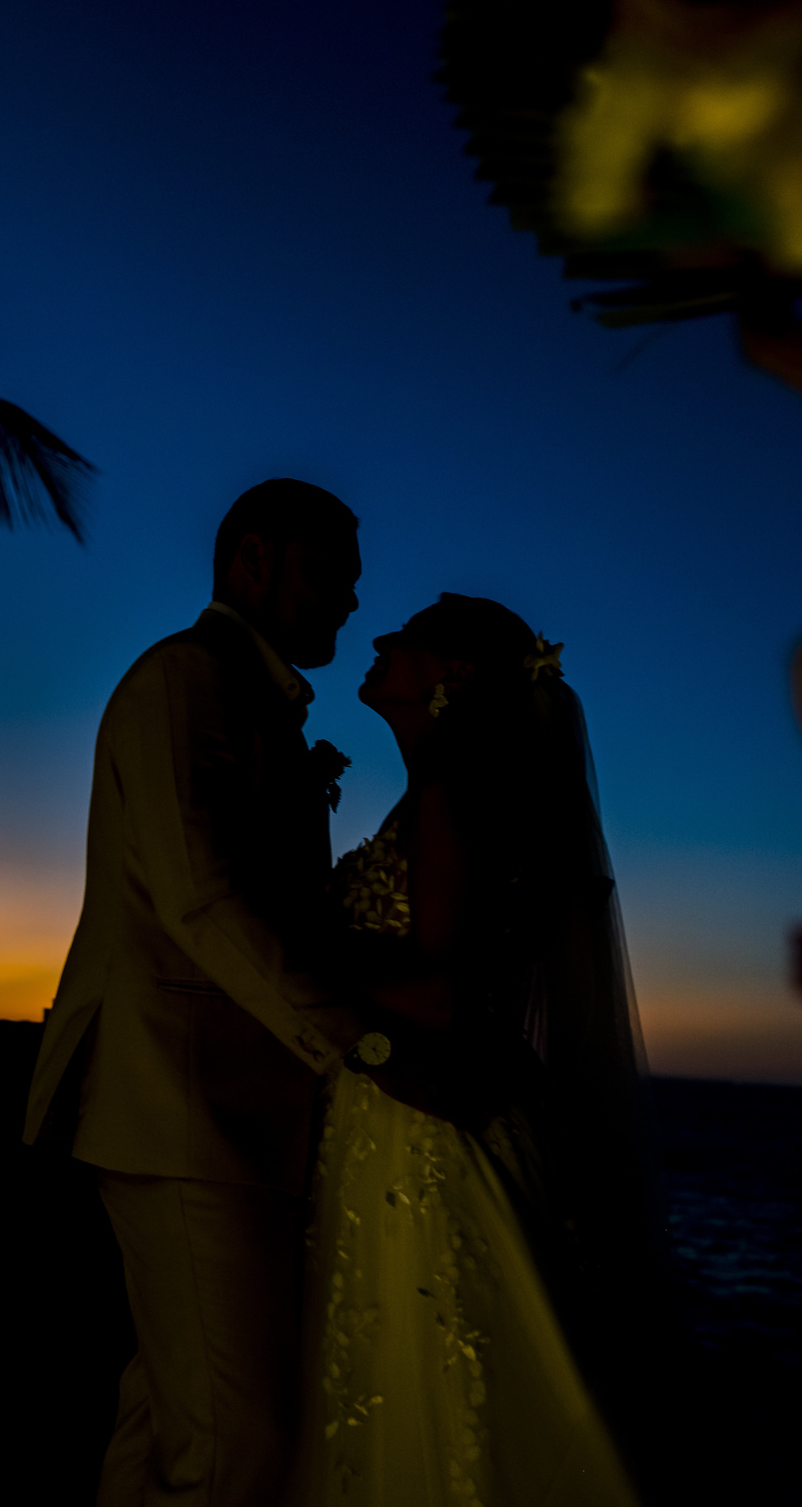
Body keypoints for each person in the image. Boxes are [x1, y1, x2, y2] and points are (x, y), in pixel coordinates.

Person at [23, 478, 366, 1507]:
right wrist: (362, 1050)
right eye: (330, 573)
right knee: (237, 1448)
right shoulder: (187, 681)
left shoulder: (244, 696)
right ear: (250, 560)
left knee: (169, 1418)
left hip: (231, 1119)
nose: (350, 599)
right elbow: (201, 896)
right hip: (182, 1109)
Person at [292, 594, 656, 1507]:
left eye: (406, 636)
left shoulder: (453, 797)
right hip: (414, 1121)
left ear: (453, 677)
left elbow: (444, 993)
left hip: (421, 1140)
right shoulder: (446, 797)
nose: (379, 639)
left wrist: (300, 948)